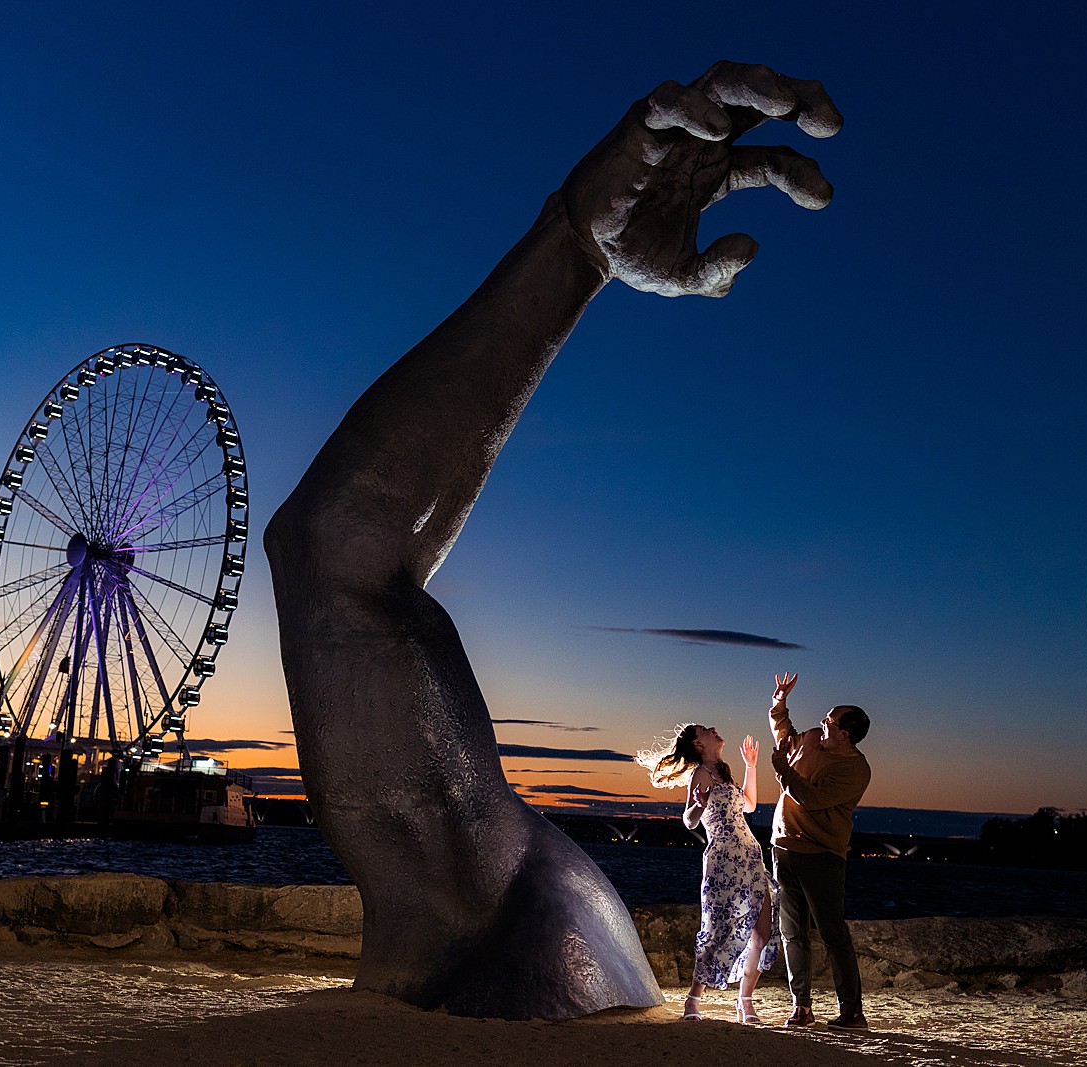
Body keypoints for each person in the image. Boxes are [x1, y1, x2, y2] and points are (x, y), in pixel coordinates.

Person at [264, 62, 842, 1018]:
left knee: (329, 560)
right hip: (538, 927)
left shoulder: (506, 905)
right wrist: (573, 251)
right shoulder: (515, 886)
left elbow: (328, 544)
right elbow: (329, 546)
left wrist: (574, 247)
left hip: (529, 940)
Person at [638, 724, 779, 1022]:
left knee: (762, 932)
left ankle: (745, 1000)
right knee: (717, 931)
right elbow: (689, 820)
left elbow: (749, 805)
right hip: (723, 861)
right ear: (698, 744)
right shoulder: (700, 774)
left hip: (751, 859)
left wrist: (751, 766)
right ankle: (693, 1000)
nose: (714, 729)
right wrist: (698, 807)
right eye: (705, 730)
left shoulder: (725, 773)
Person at [766, 671, 872, 1030]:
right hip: (782, 848)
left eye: (830, 721)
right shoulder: (812, 739)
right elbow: (784, 736)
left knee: (832, 933)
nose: (822, 723)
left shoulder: (855, 770)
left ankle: (852, 1013)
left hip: (822, 856)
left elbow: (811, 799)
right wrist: (779, 702)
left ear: (845, 734)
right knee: (792, 932)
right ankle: (802, 1008)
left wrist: (781, 769)